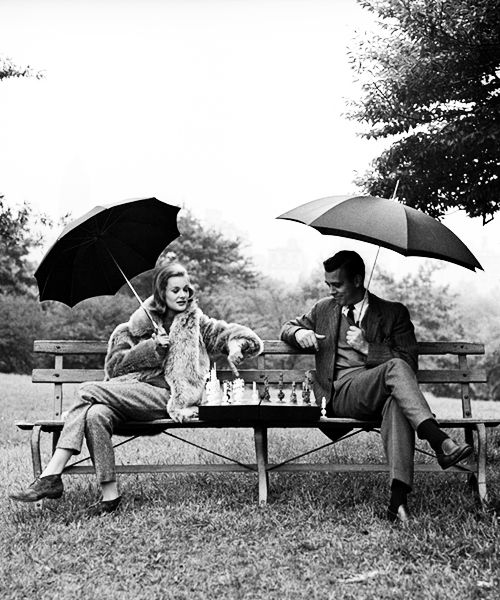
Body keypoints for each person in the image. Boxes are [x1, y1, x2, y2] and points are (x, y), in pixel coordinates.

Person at [10, 262, 263, 513]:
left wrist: (235, 345)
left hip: (170, 398)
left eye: (186, 289)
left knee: (87, 391)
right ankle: (110, 497)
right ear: (161, 292)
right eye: (175, 290)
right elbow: (115, 369)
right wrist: (152, 350)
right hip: (129, 396)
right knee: (96, 414)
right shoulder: (130, 329)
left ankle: (51, 475)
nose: (183, 295)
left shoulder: (197, 324)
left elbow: (230, 332)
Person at [280, 250, 472, 523]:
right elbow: (286, 328)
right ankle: (438, 439)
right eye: (328, 285)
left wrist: (368, 347)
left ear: (358, 280)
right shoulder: (323, 309)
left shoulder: (393, 313)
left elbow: (408, 363)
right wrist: (300, 333)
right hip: (342, 394)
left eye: (337, 285)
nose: (331, 291)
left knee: (397, 404)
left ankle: (398, 501)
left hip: (383, 395)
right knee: (394, 371)